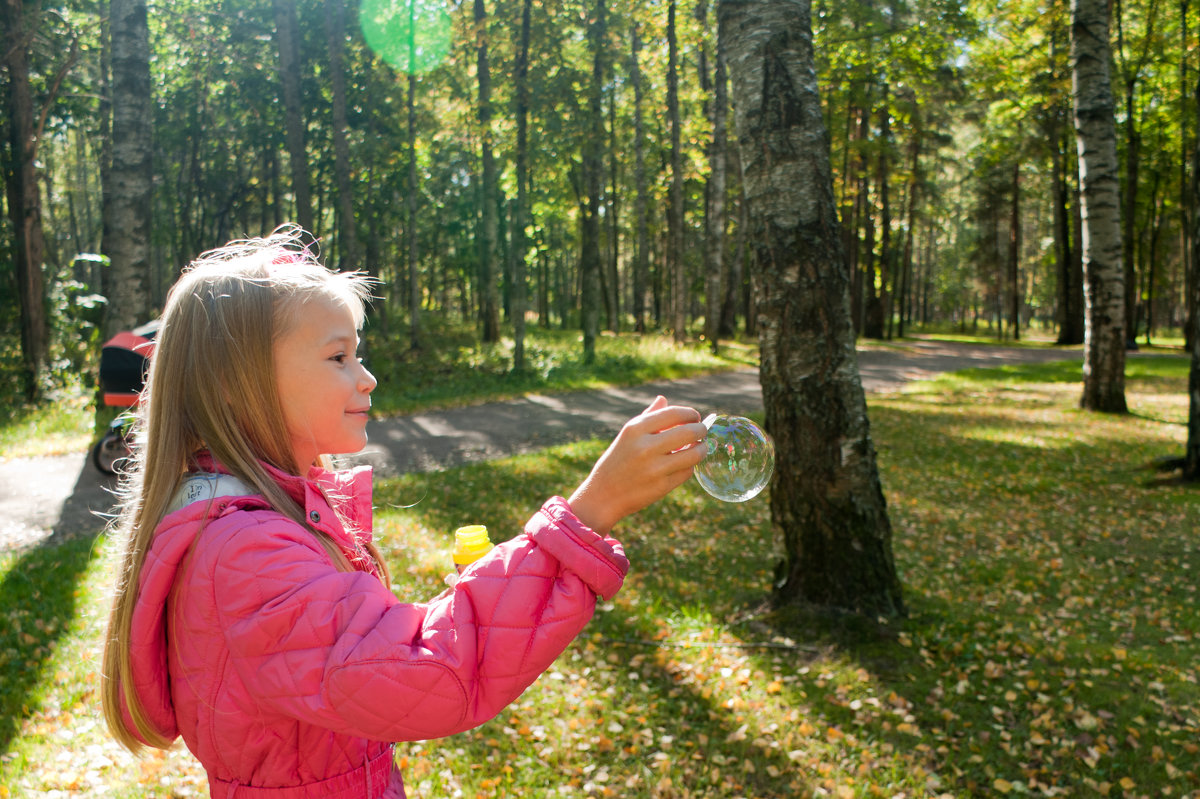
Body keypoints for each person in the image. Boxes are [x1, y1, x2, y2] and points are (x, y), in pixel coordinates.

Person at [100, 228, 708, 799]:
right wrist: (590, 511)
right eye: (338, 357)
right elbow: (431, 675)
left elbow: (366, 647)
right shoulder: (245, 552)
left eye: (357, 355)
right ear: (238, 383)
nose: (366, 378)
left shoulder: (258, 521)